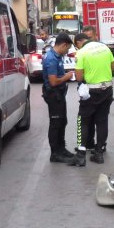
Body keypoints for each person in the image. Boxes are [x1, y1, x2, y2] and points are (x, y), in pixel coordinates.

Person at [70, 31, 114, 166]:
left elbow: (78, 77)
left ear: (79, 42)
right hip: (107, 89)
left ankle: (81, 154)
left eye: (77, 46)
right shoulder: (104, 47)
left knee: (82, 121)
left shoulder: (82, 52)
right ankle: (99, 153)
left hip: (91, 91)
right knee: (102, 121)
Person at [42, 33, 76, 164]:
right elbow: (53, 82)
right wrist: (66, 77)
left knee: (63, 122)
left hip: (60, 94)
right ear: (63, 45)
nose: (67, 52)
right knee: (56, 124)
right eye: (67, 49)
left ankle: (61, 149)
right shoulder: (51, 58)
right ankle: (55, 153)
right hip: (53, 94)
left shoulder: (58, 56)